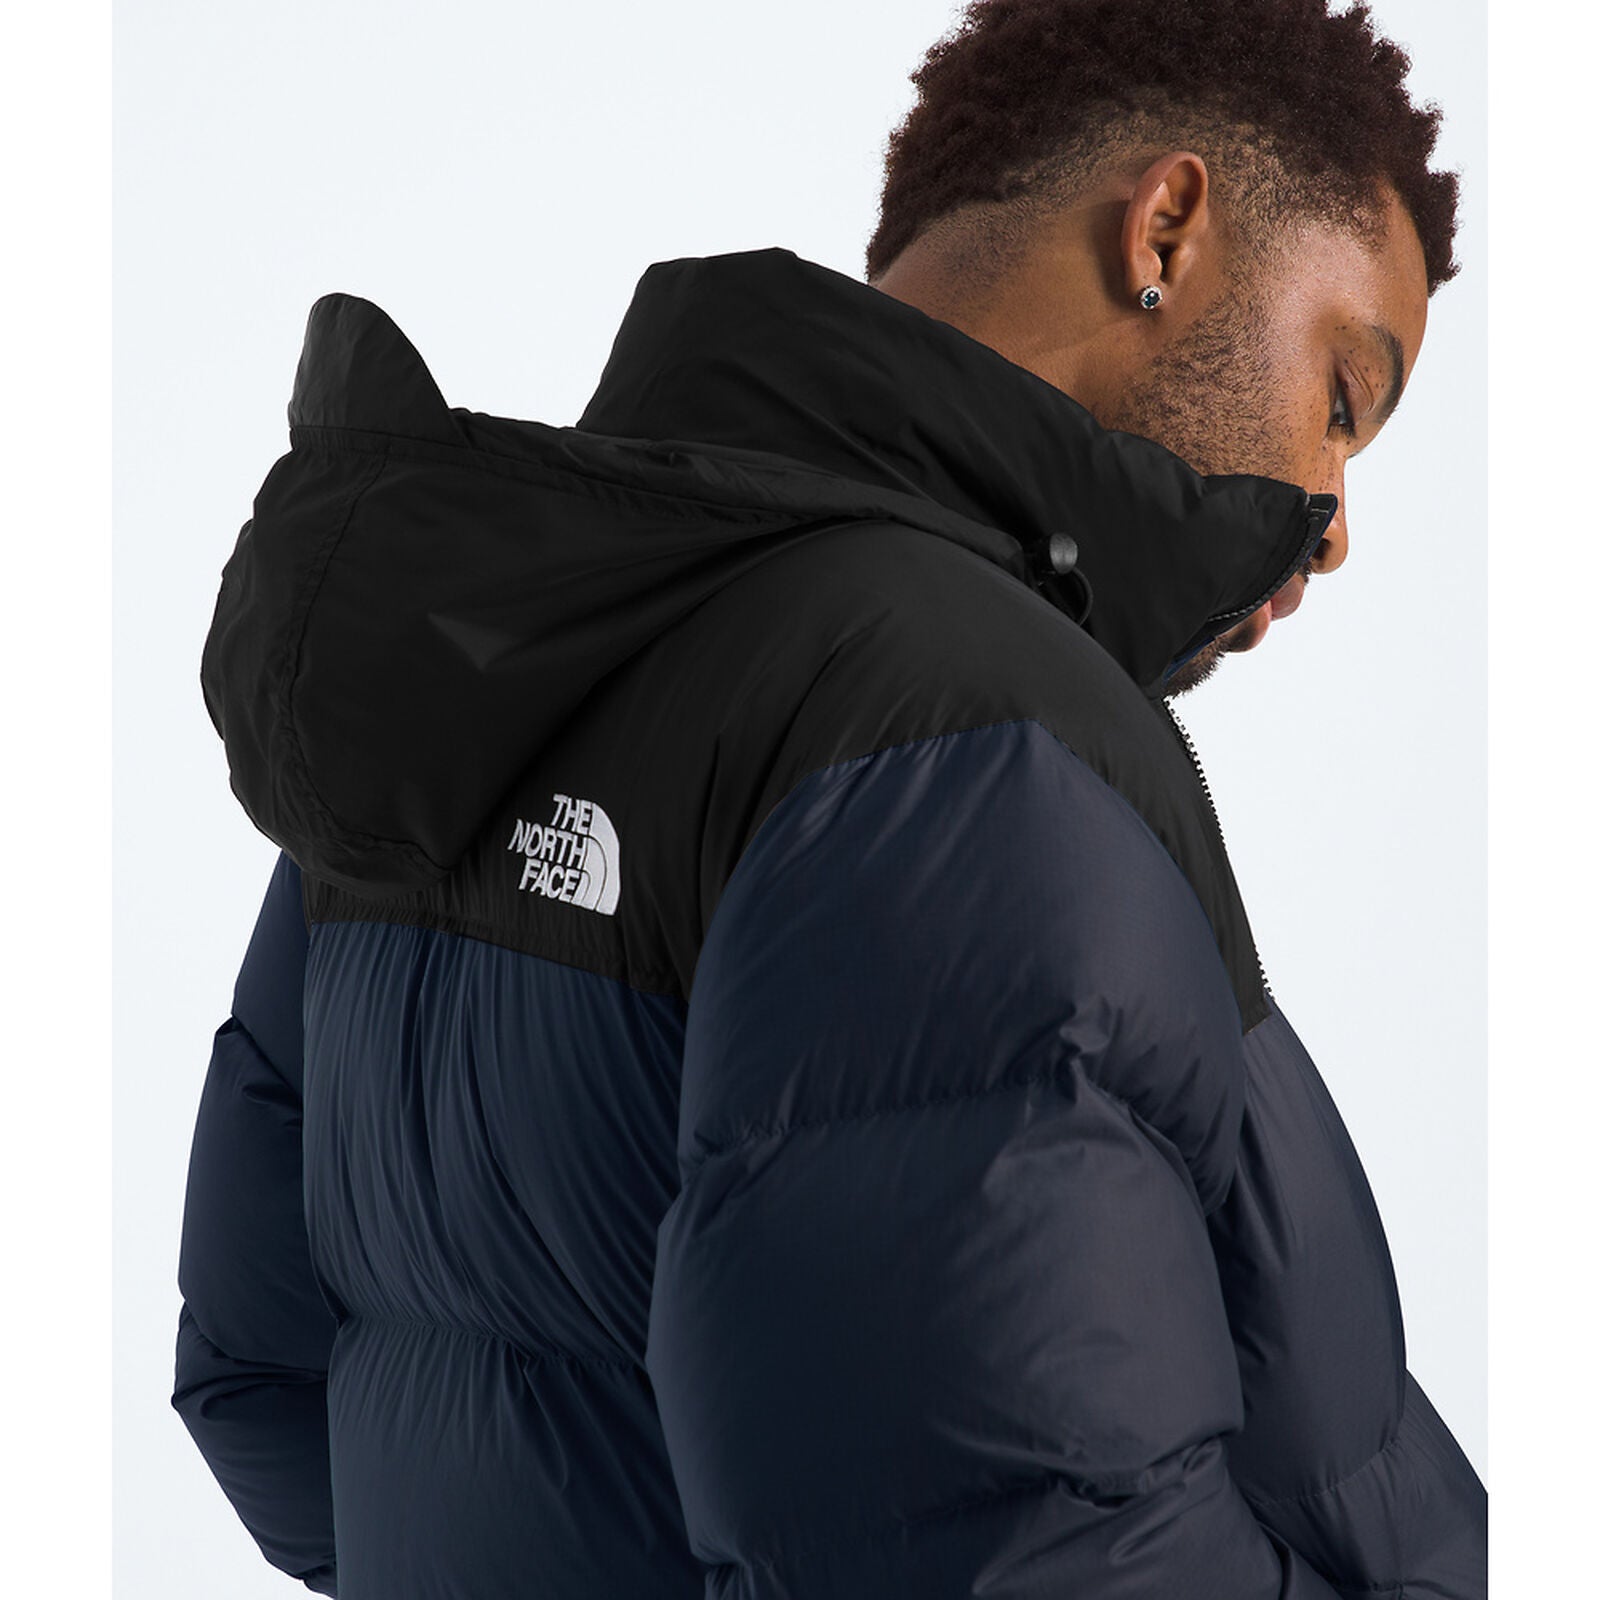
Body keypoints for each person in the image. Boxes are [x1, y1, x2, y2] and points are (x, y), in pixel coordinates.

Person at [171, 0, 1487, 1595]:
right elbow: (1024, 1547)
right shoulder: (960, 726)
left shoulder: (477, 646)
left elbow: (264, 1377)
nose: (1334, 522)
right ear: (1167, 231)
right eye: (1343, 396)